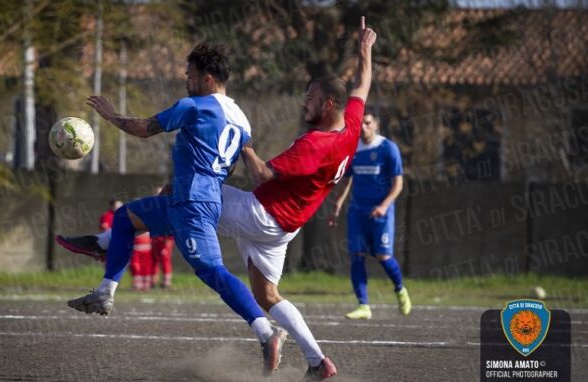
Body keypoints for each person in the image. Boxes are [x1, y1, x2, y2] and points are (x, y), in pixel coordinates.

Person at [59, 17, 377, 381]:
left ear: (329, 103)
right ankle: (319, 361)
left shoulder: (313, 144)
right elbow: (362, 86)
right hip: (286, 228)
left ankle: (265, 332)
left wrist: (247, 146)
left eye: (312, 98)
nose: (305, 102)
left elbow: (261, 174)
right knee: (268, 295)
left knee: (201, 242)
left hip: (260, 213)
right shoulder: (350, 126)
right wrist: (364, 50)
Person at [59, 43, 288, 376]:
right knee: (126, 218)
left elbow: (143, 129)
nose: (186, 80)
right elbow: (227, 166)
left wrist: (110, 116)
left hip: (192, 205)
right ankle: (105, 289)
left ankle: (267, 333)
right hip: (192, 198)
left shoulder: (193, 106)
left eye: (190, 75)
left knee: (212, 271)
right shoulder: (241, 119)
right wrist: (174, 186)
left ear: (207, 78)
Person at [328, 111, 412, 320]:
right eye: (361, 123)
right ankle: (363, 305)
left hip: (381, 214)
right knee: (356, 257)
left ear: (376, 124)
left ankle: (400, 289)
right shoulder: (353, 148)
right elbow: (347, 179)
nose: (363, 127)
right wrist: (337, 205)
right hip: (357, 212)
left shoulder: (387, 149)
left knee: (384, 257)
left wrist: (384, 206)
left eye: (367, 123)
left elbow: (398, 183)